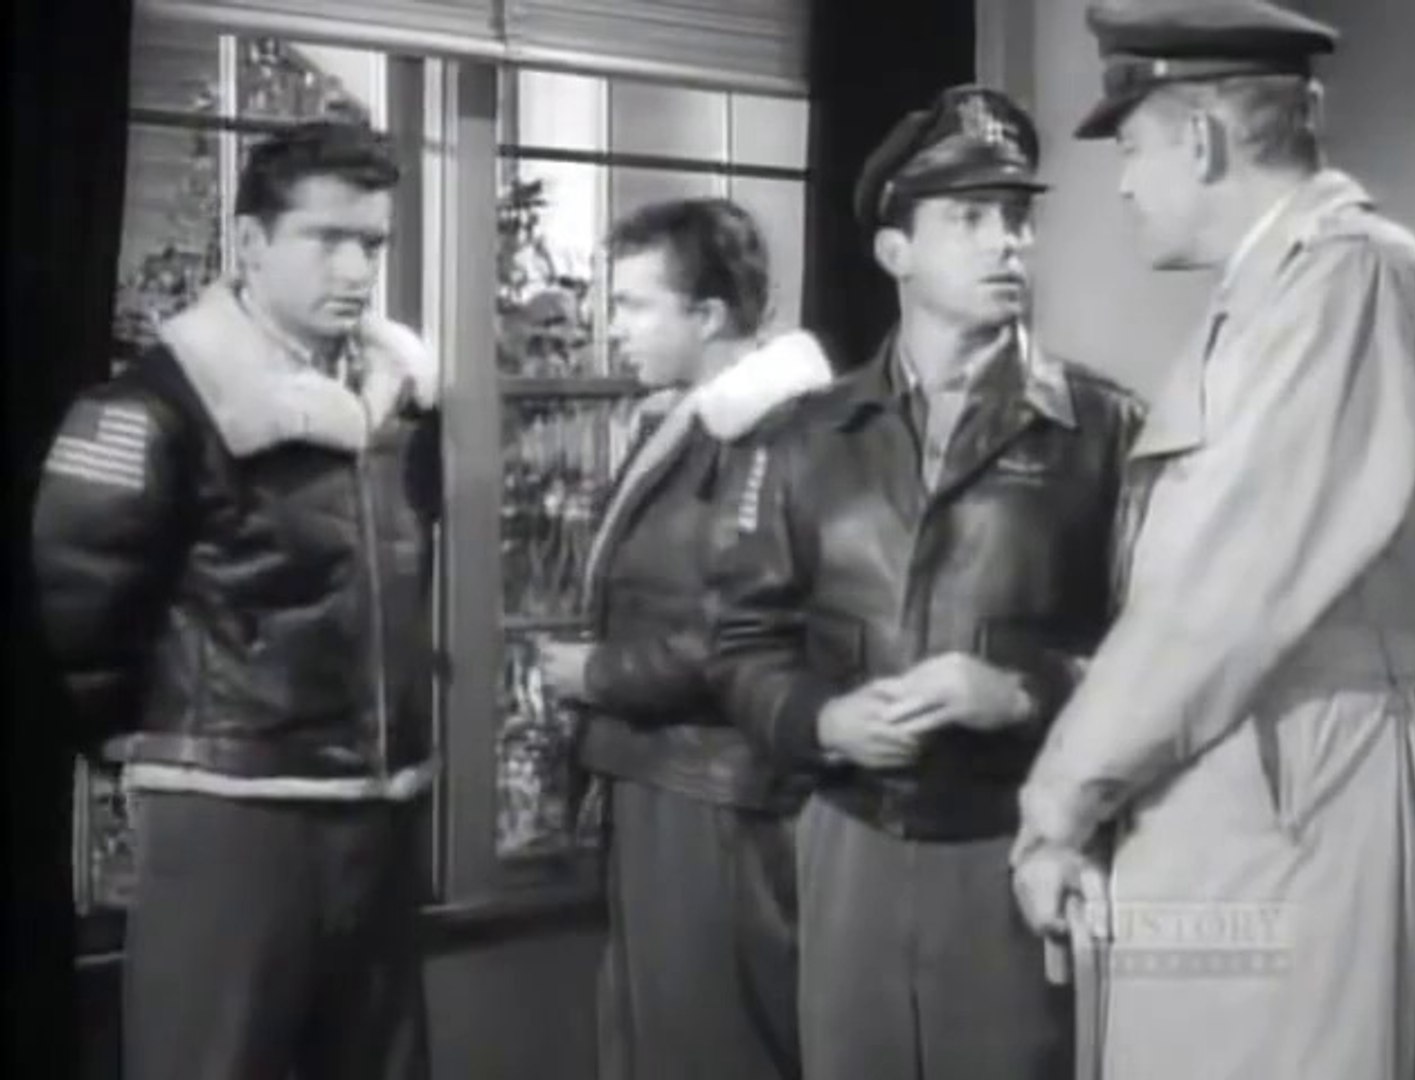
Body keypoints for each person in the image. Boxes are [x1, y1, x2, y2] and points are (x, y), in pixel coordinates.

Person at [1011, 4, 1415, 1079]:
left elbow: (1215, 595)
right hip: (1249, 794)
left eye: (1132, 148)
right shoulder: (1281, 291)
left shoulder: (1344, 282)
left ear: (1200, 140)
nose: (1121, 185)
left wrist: (1059, 802)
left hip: (1295, 802)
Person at [704, 85, 1144, 1080]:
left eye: (1017, 217)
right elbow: (740, 643)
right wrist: (821, 719)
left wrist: (1025, 692)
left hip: (1019, 841)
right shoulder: (806, 438)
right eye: (971, 218)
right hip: (848, 840)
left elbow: (1160, 650)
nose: (1008, 243)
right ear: (895, 250)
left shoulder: (1105, 431)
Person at [32, 120, 439, 1080]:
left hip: (375, 811)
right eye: (327, 240)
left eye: (372, 243)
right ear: (250, 244)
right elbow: (76, 613)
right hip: (228, 811)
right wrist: (166, 740)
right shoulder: (151, 407)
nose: (357, 270)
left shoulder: (390, 403)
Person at [536, 197, 832, 1080]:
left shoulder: (770, 435)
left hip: (714, 787)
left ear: (707, 315)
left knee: (707, 1042)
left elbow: (743, 629)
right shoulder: (693, 424)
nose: (613, 327)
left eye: (635, 305)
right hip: (665, 775)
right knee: (655, 1036)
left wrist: (597, 672)